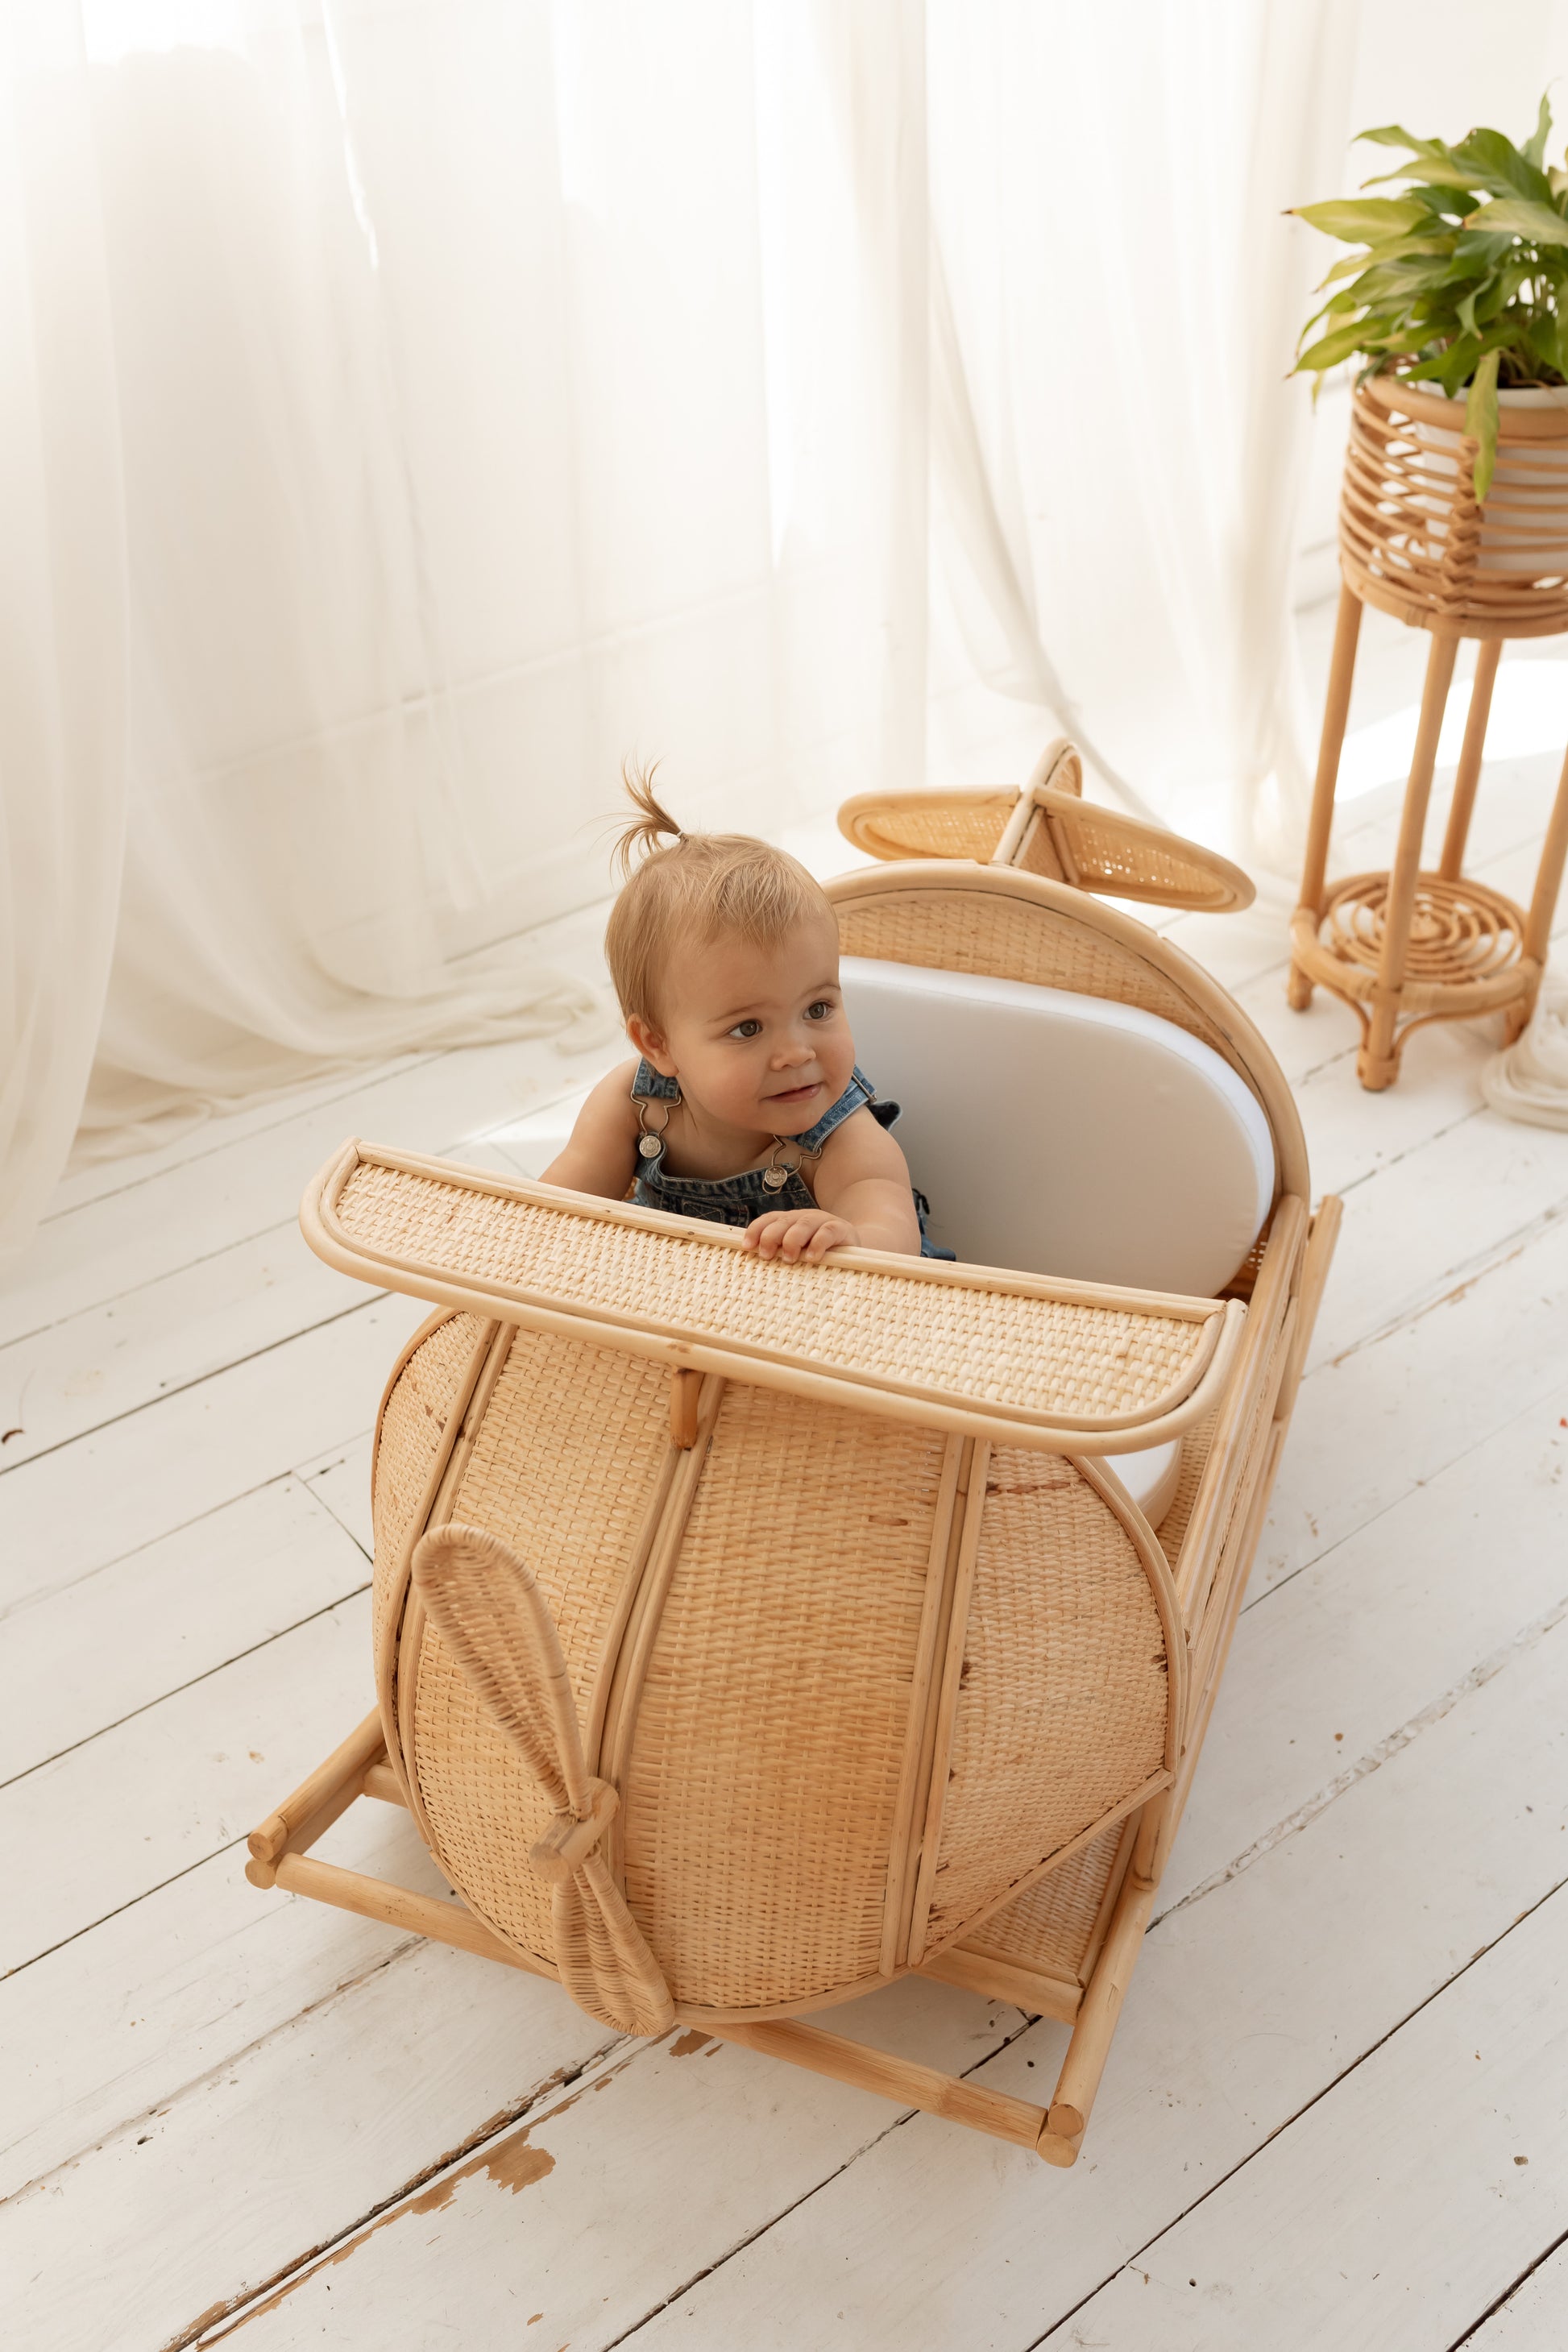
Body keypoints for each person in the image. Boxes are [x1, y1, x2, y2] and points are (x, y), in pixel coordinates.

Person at [539, 769, 952, 1262]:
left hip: (830, 1298)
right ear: (658, 1044)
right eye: (747, 1028)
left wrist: (850, 1240)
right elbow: (551, 1214)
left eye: (817, 1008)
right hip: (677, 1290)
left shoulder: (842, 1137)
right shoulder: (635, 1104)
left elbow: (893, 1239)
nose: (796, 1053)